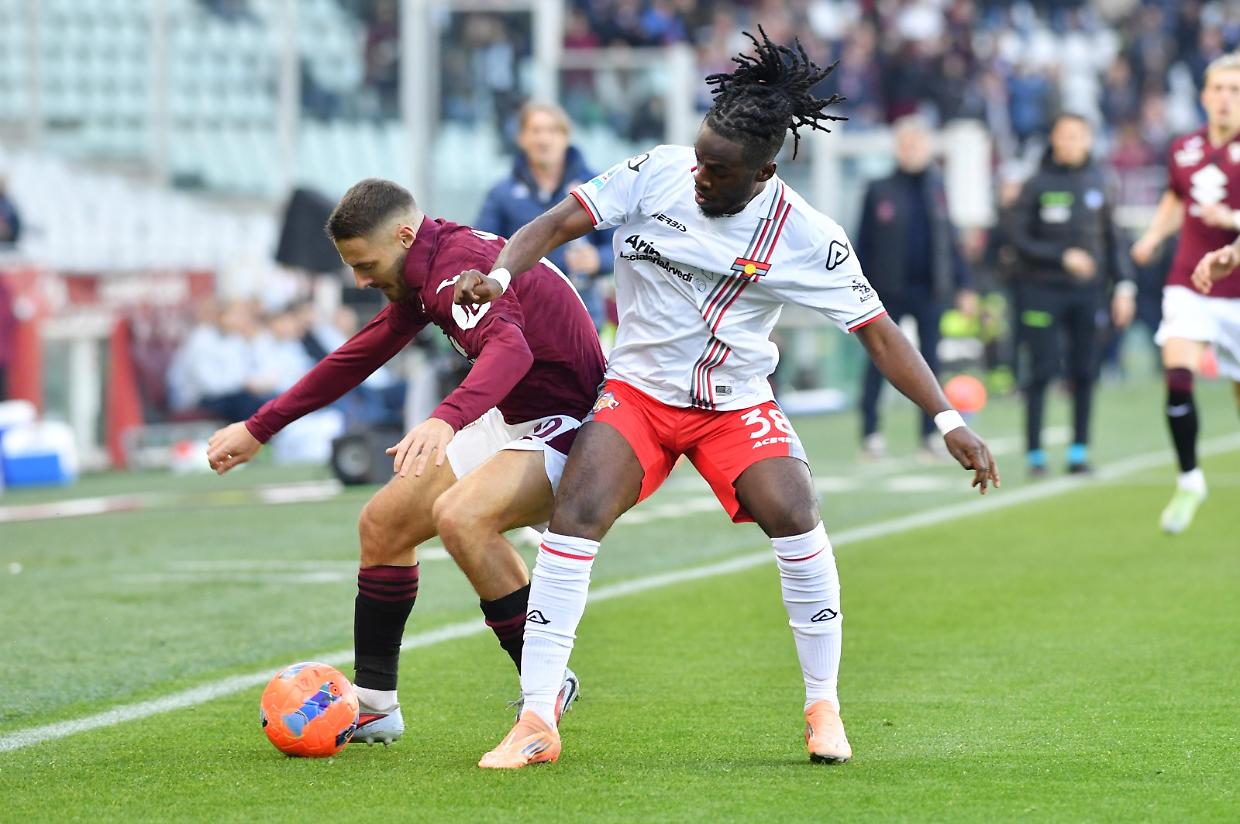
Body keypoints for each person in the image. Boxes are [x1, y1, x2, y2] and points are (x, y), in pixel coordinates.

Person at [455, 29, 1000, 770]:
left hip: (733, 405)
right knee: (576, 512)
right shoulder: (656, 172)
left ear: (765, 171)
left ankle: (823, 707)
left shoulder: (806, 236)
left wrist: (947, 419)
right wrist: (498, 274)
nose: (700, 178)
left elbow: (878, 333)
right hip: (638, 394)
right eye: (700, 159)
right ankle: (536, 717)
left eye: (718, 171)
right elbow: (556, 223)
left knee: (794, 510)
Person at [205, 179, 605, 743]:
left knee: (463, 519)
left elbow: (511, 349)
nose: (360, 281)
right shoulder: (426, 265)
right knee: (384, 524)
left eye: (365, 265)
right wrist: (259, 426)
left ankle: (547, 682)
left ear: (403, 236)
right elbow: (359, 354)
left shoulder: (453, 271)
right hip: (514, 412)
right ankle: (374, 704)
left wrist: (446, 418)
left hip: (574, 421)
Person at [1130, 52, 1240, 534]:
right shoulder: (1184, 148)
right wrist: (1154, 235)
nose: (1225, 98)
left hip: (1237, 288)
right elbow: (1177, 197)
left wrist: (1231, 222)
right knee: (1177, 374)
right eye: (1218, 89)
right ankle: (1190, 479)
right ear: (1203, 96)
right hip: (1190, 282)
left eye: (1235, 90)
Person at [1006, 113, 1136, 476]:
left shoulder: (1099, 181)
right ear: (1053, 139)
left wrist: (1124, 286)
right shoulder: (1035, 184)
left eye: (1077, 136)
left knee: (1085, 371)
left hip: (1087, 295)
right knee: (1042, 369)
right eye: (1063, 135)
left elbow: (1113, 240)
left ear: (1088, 140)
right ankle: (1035, 454)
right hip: (1041, 291)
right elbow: (1017, 238)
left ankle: (1079, 451)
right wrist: (1061, 256)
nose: (1069, 142)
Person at [854, 115, 976, 459]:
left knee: (929, 363)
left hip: (929, 290)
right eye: (905, 144)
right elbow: (862, 243)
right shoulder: (879, 188)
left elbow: (949, 240)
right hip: (886, 293)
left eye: (917, 144)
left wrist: (964, 285)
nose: (911, 150)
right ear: (897, 148)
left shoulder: (936, 187)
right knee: (878, 361)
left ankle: (931, 434)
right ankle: (870, 432)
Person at [475, 101, 615, 328]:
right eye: (536, 131)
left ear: (566, 137)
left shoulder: (594, 186)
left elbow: (623, 243)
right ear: (522, 138)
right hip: (522, 316)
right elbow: (481, 248)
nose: (544, 139)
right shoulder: (502, 193)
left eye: (552, 131)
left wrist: (599, 259)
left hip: (583, 315)